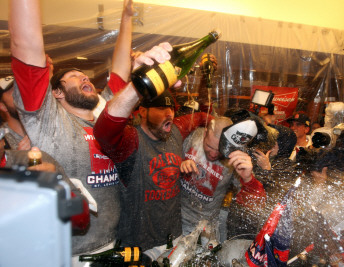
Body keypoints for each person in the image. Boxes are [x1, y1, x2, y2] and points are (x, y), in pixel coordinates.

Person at [8, 0, 164, 259]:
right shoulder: (49, 120)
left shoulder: (104, 111)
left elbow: (119, 69)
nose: (84, 77)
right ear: (56, 92)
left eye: (86, 76)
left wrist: (126, 18)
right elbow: (25, 48)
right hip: (69, 254)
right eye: (74, 76)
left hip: (116, 244)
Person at [93, 81, 211, 260]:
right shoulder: (132, 139)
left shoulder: (175, 132)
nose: (169, 113)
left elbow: (202, 116)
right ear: (143, 111)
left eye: (171, 108)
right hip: (138, 247)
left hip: (173, 237)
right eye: (162, 108)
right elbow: (104, 133)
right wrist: (136, 87)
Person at [180, 116, 264, 240]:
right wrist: (179, 165)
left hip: (206, 226)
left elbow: (254, 205)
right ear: (204, 134)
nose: (213, 154)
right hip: (177, 217)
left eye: (219, 149)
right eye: (209, 146)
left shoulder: (235, 156)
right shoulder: (193, 136)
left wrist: (248, 179)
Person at [0, 76, 31, 150]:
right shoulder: (2, 137)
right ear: (2, 106)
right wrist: (19, 157)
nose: (22, 97)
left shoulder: (42, 125)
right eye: (15, 94)